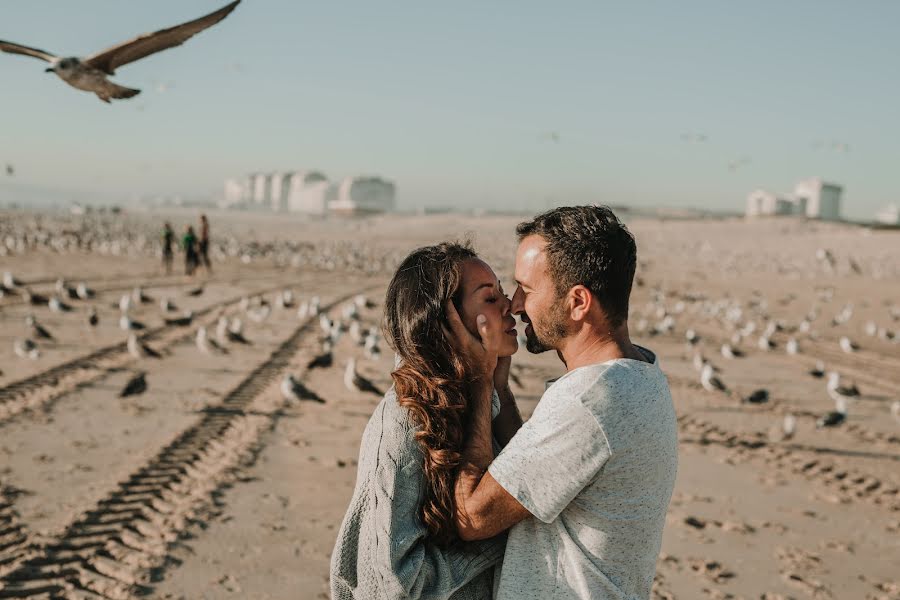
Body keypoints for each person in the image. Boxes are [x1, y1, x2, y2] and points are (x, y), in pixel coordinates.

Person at [448, 205, 678, 600]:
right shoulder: (641, 374)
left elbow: (471, 516)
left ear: (578, 302)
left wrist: (481, 380)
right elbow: (540, 471)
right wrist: (501, 388)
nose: (515, 304)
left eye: (528, 289)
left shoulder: (590, 402)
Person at [331, 241, 521, 599]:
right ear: (446, 323)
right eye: (490, 297)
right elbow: (391, 587)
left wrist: (496, 385)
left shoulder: (474, 400)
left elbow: (522, 477)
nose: (510, 305)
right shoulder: (404, 422)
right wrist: (495, 539)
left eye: (503, 292)